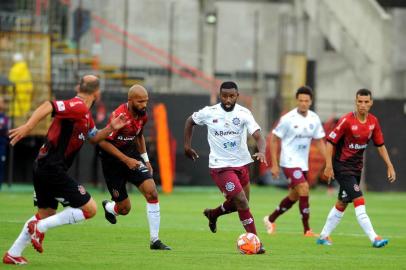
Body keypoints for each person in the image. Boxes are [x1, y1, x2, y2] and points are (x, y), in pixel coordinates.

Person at [2, 75, 128, 265]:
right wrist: (28, 126)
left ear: (79, 87)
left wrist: (111, 127)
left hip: (43, 166)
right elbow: (48, 105)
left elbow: (94, 138)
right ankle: (40, 227)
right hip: (52, 168)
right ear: (97, 93)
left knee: (46, 213)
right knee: (90, 209)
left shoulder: (86, 114)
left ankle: (13, 253)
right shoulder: (77, 106)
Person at [184, 81, 267, 254]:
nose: (227, 100)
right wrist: (187, 146)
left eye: (231, 96)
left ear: (237, 96)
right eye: (224, 96)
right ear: (219, 95)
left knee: (240, 204)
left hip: (242, 165)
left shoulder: (244, 113)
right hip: (221, 167)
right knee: (242, 202)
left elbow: (258, 136)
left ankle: (213, 214)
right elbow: (189, 121)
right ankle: (256, 242)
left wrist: (263, 151)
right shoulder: (209, 112)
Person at [316, 89, 396, 248]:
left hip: (356, 169)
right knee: (359, 199)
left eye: (366, 102)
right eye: (360, 102)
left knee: (342, 203)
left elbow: (380, 145)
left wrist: (390, 165)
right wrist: (329, 166)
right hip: (342, 167)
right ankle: (375, 238)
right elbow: (330, 142)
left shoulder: (373, 122)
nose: (363, 105)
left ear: (371, 103)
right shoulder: (346, 121)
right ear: (356, 102)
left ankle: (323, 236)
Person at [99, 84, 171, 250]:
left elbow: (139, 136)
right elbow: (102, 142)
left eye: (146, 101)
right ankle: (110, 207)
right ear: (130, 100)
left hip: (132, 156)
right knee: (124, 209)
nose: (144, 105)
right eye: (140, 101)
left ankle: (155, 240)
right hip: (112, 161)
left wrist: (145, 160)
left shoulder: (142, 115)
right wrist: (126, 160)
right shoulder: (118, 116)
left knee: (152, 192)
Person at [263, 86, 326, 237]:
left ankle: (270, 219)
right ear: (296, 101)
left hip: (303, 164)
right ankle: (307, 230)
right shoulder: (287, 119)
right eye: (301, 100)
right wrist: (275, 165)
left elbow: (319, 141)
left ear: (311, 102)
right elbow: (273, 139)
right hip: (289, 162)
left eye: (306, 100)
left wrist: (329, 162)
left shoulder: (314, 118)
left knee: (294, 196)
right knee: (304, 188)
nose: (303, 103)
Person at [8, 53, 33, 117]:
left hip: (17, 90)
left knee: (16, 106)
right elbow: (29, 79)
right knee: (24, 105)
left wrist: (10, 89)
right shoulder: (25, 68)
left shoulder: (14, 70)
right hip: (26, 91)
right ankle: (24, 116)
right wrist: (30, 88)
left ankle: (16, 118)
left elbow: (11, 81)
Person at [0, 96, 9, 190]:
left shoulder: (5, 117)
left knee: (1, 164)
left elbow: (5, 130)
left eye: (1, 102)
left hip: (1, 145)